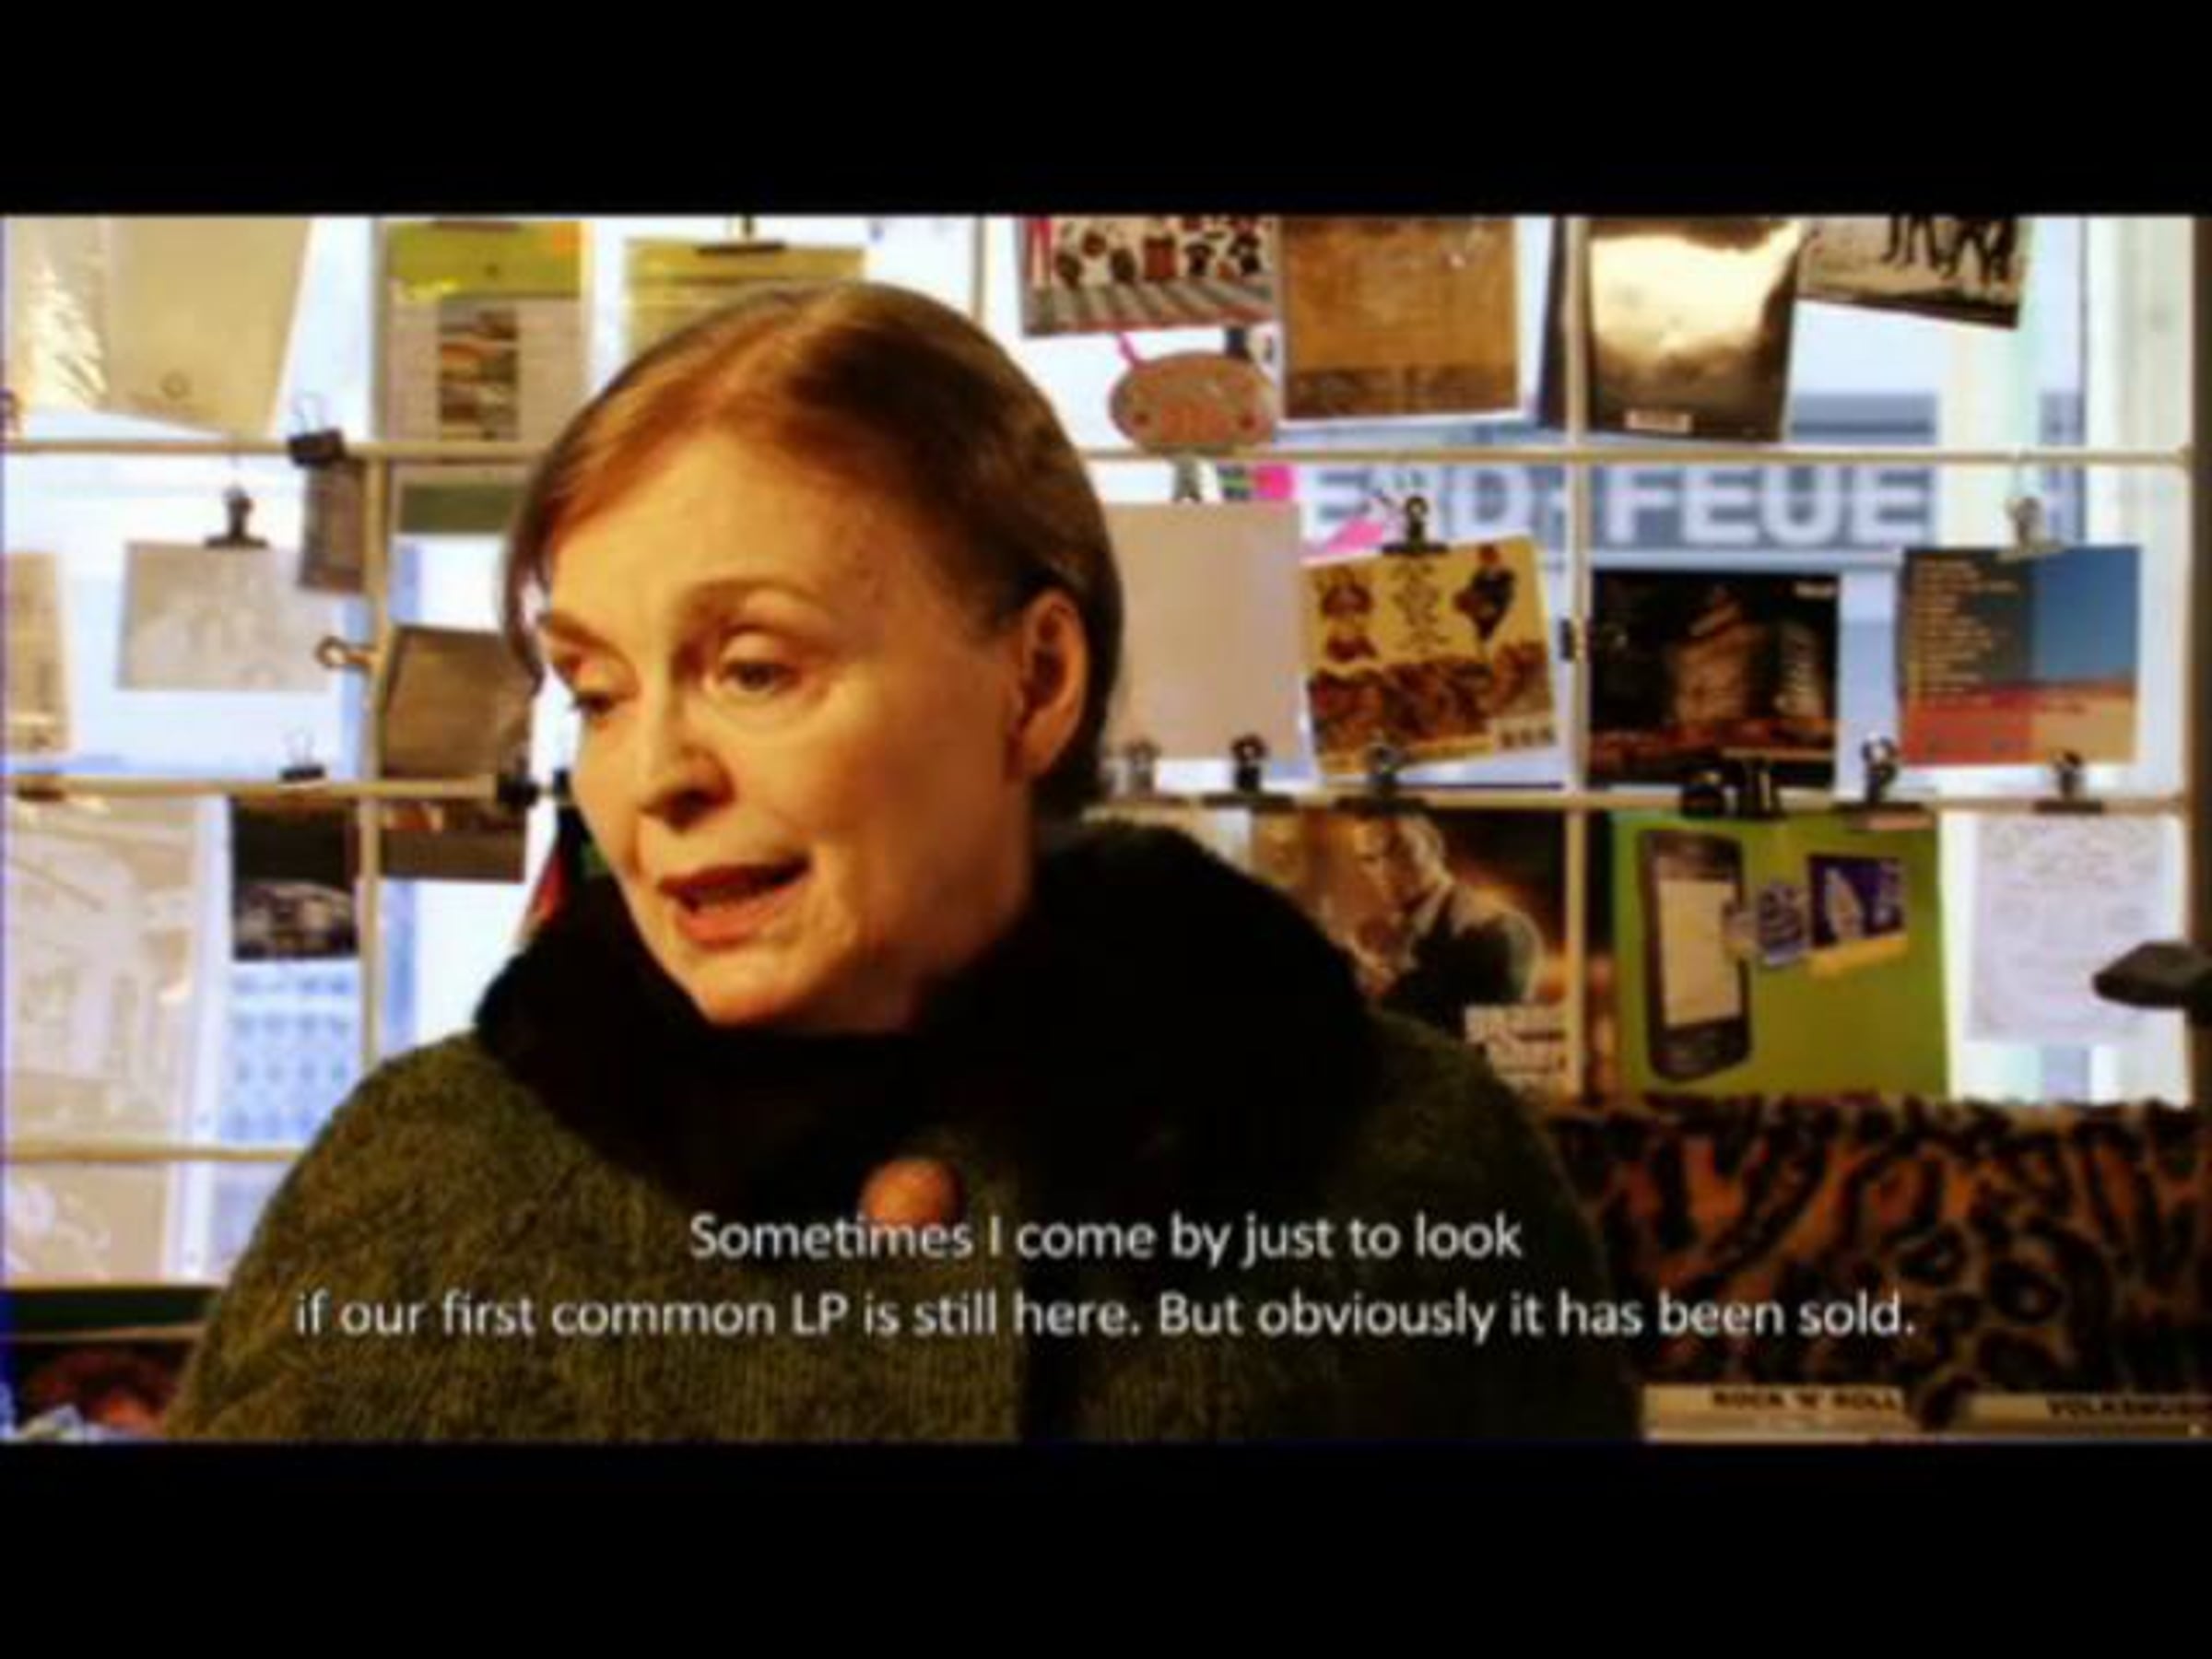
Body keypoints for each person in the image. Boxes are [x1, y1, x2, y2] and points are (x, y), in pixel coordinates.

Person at [166, 283, 1632, 1441]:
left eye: (753, 667)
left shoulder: (1408, 1171)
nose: (652, 774)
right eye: (598, 692)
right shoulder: (425, 1195)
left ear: (1034, 681)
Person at [1347, 813, 1543, 1037]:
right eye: (1369, 860)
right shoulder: (1384, 939)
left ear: (1435, 847)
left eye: (1399, 850)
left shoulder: (1501, 929)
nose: (1384, 869)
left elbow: (1484, 1034)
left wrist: (1389, 991)